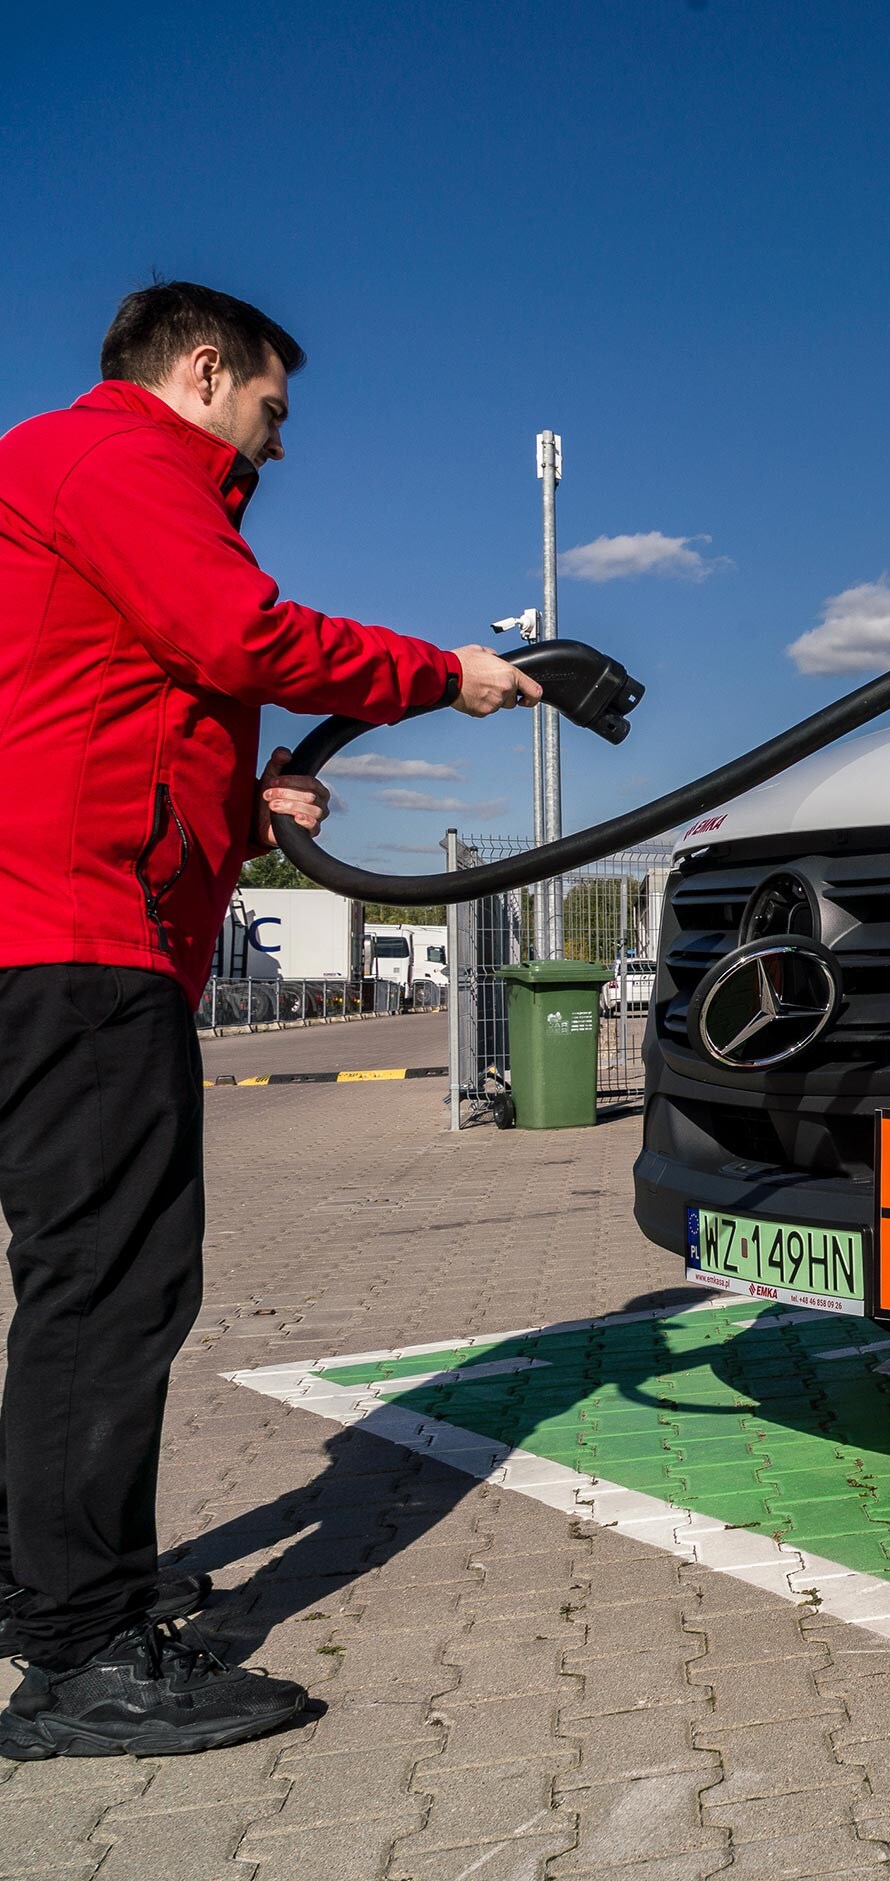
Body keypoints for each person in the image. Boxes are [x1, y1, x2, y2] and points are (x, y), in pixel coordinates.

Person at [0, 281, 542, 1759]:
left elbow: (107, 708)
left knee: (77, 1283)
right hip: (71, 939)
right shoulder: (115, 460)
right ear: (202, 368)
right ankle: (83, 1659)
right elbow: (235, 636)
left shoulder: (62, 474)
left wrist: (247, 803)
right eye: (270, 409)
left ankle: (49, 1580)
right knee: (111, 1291)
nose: (278, 443)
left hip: (58, 923)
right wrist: (452, 677)